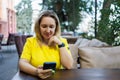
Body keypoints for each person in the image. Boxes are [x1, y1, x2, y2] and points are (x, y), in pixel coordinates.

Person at [19, 10, 73, 79]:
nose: (48, 31)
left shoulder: (62, 41)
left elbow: (68, 66)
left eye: (51, 27)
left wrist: (60, 44)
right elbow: (22, 63)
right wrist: (36, 72)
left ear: (56, 27)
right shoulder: (30, 41)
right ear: (38, 27)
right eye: (44, 26)